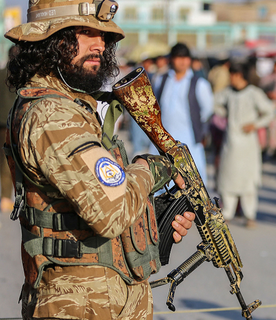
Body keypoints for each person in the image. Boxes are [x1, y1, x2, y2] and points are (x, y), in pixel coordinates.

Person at [3, 1, 195, 318]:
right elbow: (112, 213)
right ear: (50, 41)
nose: (100, 44)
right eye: (85, 32)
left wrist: (153, 216)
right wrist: (148, 169)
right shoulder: (52, 114)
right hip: (78, 304)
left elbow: (103, 199)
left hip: (108, 296)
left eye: (103, 35)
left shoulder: (75, 105)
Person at [215, 62, 274, 228]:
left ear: (239, 75)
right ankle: (227, 213)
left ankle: (250, 215)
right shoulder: (227, 93)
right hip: (230, 143)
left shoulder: (254, 93)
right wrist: (225, 114)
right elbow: (215, 103)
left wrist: (255, 124)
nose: (231, 78)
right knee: (228, 179)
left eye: (233, 74)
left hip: (248, 144)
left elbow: (269, 112)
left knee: (248, 181)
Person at [153, 43, 213, 180]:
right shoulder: (161, 80)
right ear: (171, 59)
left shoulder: (199, 83)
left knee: (193, 180)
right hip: (165, 140)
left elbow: (207, 110)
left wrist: (199, 126)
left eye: (185, 57)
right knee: (163, 180)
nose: (182, 61)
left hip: (190, 140)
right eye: (178, 57)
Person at [0, 47, 17, 213]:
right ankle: (5, 199)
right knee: (7, 161)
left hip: (0, 121)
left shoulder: (0, 74)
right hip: (12, 122)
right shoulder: (18, 78)